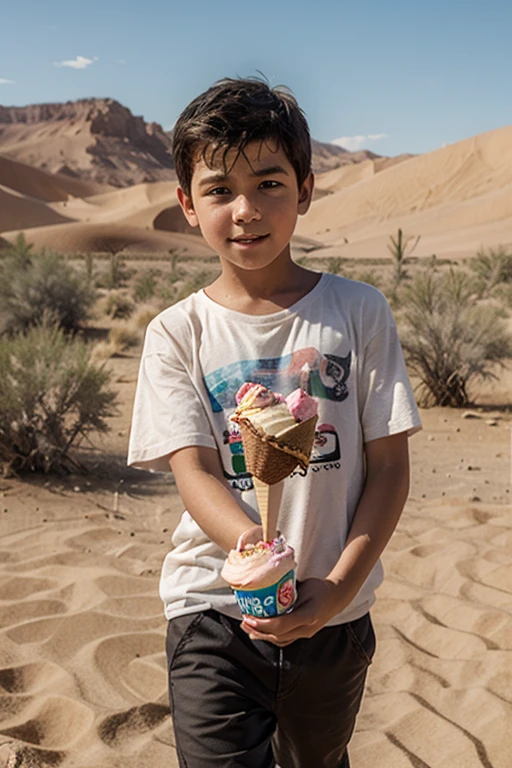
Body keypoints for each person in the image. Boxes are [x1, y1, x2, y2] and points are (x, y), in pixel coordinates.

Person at [128, 76, 422, 768]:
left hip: (334, 612)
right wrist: (259, 559)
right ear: (186, 204)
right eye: (219, 190)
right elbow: (195, 472)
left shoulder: (358, 312)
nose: (246, 210)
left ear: (305, 189)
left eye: (269, 184)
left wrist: (338, 588)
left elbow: (389, 469)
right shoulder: (177, 333)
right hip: (215, 609)